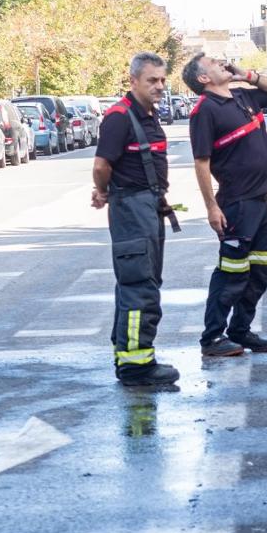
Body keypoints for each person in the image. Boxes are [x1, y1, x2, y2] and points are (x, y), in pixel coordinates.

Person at [184, 53, 267, 356]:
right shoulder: (205, 111)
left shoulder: (243, 96)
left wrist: (247, 74)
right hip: (236, 203)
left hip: (260, 198)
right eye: (213, 63)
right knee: (232, 272)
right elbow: (201, 163)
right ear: (203, 79)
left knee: (259, 271)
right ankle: (212, 339)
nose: (222, 63)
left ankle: (240, 331)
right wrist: (211, 207)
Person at [92, 52, 180, 386]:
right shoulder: (119, 117)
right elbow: (102, 166)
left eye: (161, 80)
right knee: (138, 286)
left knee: (142, 282)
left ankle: (129, 354)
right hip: (131, 210)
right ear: (133, 81)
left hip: (147, 207)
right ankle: (136, 365)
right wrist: (102, 191)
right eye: (151, 81)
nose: (159, 86)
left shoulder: (148, 116)